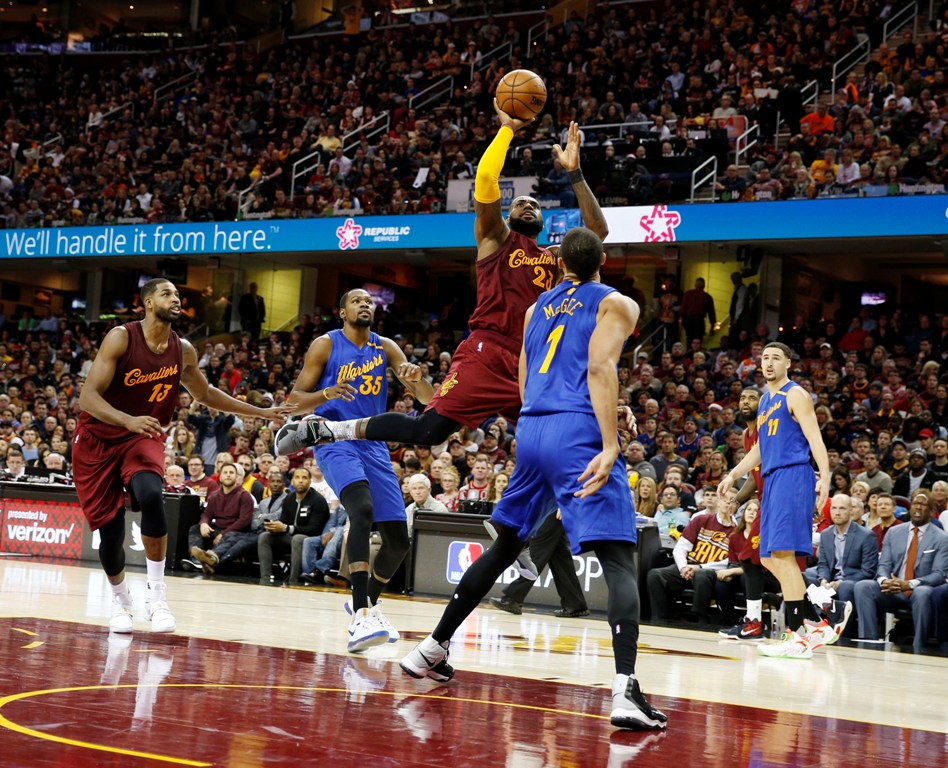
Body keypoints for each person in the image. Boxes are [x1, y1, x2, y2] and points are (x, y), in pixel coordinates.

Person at [286, 111, 607, 577]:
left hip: (531, 365)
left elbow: (597, 235)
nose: (530, 204)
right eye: (523, 202)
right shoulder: (496, 239)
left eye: (538, 203)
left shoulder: (557, 261)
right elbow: (484, 178)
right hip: (486, 351)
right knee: (428, 431)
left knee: (561, 448)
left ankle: (510, 526)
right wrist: (506, 130)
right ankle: (328, 431)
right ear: (511, 213)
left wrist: (576, 175)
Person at [399, 227, 666, 731]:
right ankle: (626, 690)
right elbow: (598, 368)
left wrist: (557, 417)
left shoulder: (535, 307)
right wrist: (609, 442)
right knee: (618, 560)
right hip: (577, 432)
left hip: (535, 426)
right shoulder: (617, 303)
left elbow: (526, 376)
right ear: (602, 259)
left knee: (504, 548)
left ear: (559, 262)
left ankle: (431, 649)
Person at [74, 278, 290, 634]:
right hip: (97, 439)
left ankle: (157, 597)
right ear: (146, 303)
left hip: (142, 436)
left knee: (151, 496)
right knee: (111, 532)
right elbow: (88, 398)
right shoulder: (121, 337)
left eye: (177, 294)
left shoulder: (184, 349)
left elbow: (205, 393)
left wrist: (261, 412)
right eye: (167, 294)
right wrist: (128, 419)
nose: (176, 299)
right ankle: (120, 602)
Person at [276, 289, 434, 653]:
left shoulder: (386, 347)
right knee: (361, 511)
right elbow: (293, 402)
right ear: (342, 310)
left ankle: (368, 603)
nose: (365, 304)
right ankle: (361, 613)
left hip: (374, 442)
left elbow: (426, 398)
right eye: (356, 301)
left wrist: (417, 377)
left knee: (398, 541)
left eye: (370, 301)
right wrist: (326, 394)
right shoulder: (325, 345)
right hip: (335, 440)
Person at [719, 342, 837, 659]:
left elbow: (815, 437)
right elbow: (759, 450)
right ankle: (814, 622)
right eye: (764, 358)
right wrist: (733, 475)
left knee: (782, 555)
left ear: (788, 363)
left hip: (793, 474)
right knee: (769, 557)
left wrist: (824, 477)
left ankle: (797, 634)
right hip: (770, 479)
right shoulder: (766, 400)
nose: (768, 363)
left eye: (775, 358)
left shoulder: (794, 394)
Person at [854, 491, 948, 652]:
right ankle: (868, 642)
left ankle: (920, 646)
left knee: (923, 593)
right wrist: (884, 580)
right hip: (893, 588)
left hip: (918, 588)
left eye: (923, 504)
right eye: (915, 503)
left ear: (931, 510)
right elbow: (884, 564)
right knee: (863, 586)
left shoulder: (941, 538)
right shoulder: (894, 532)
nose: (918, 507)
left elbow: (939, 574)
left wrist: (909, 584)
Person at [489, 508, 590, 618]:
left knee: (537, 550)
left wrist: (564, 504)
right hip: (554, 505)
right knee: (560, 557)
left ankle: (513, 598)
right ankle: (575, 604)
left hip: (556, 506)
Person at [257, 466, 329, 584]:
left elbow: (315, 529)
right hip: (289, 538)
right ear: (292, 481)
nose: (300, 480)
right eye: (297, 477)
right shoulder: (289, 498)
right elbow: (284, 521)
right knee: (264, 536)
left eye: (304, 478)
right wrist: (275, 528)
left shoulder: (318, 500)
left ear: (310, 482)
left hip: (310, 540)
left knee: (297, 538)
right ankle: (265, 579)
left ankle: (293, 581)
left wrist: (286, 528)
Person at [679, 277, 717, 344]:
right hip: (699, 320)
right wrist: (712, 326)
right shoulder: (707, 297)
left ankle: (689, 351)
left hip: (688, 319)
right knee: (698, 339)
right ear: (704, 286)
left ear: (695, 285)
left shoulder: (688, 294)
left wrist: (681, 320)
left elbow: (682, 308)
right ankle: (696, 352)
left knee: (689, 338)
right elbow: (711, 312)